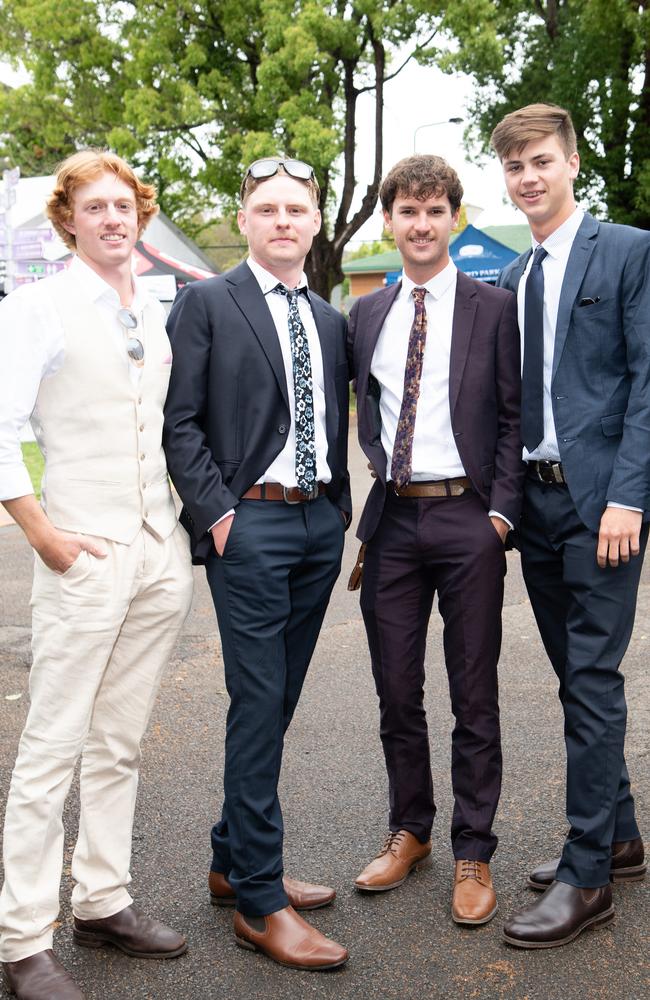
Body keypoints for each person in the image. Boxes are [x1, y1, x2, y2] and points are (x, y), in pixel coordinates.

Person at [0, 151, 194, 1000]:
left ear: (140, 218)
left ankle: (104, 900)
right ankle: (19, 940)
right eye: (97, 207)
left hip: (156, 549)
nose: (114, 219)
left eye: (127, 206)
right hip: (80, 550)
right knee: (50, 749)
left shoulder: (151, 307)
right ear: (68, 219)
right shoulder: (39, 306)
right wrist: (45, 536)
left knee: (118, 743)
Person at [163, 157, 350, 970]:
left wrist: (338, 514)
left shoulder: (332, 318)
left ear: (315, 223)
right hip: (253, 529)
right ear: (244, 220)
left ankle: (229, 861)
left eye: (296, 210)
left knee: (276, 705)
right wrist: (222, 517)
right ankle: (261, 900)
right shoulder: (207, 302)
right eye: (267, 208)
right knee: (257, 701)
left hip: (317, 526)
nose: (282, 221)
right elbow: (180, 423)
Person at [348, 155, 524, 925]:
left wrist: (500, 516)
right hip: (392, 521)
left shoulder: (494, 307)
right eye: (407, 211)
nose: (420, 224)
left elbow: (518, 419)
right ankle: (410, 829)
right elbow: (366, 411)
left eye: (434, 210)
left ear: (453, 216)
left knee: (473, 692)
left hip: (468, 520)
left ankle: (473, 849)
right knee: (396, 691)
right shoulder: (368, 314)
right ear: (389, 220)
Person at [491, 103, 649, 948]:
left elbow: (648, 381)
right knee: (572, 678)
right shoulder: (516, 277)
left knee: (592, 682)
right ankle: (618, 837)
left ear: (573, 162)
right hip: (539, 508)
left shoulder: (627, 250)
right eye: (515, 165)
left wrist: (631, 495)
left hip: (604, 509)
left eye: (541, 160)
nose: (529, 177)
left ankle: (589, 877)